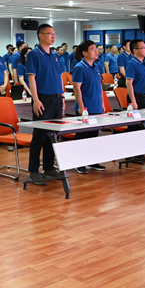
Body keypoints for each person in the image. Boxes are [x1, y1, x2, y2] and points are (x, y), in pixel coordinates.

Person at [25, 24, 64, 185]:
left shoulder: (54, 54)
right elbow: (32, 78)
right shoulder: (34, 54)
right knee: (39, 136)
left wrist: (62, 97)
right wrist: (35, 99)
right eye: (50, 34)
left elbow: (59, 77)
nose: (53, 37)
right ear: (41, 35)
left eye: (54, 34)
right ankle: (34, 171)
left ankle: (49, 167)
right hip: (43, 99)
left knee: (53, 136)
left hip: (56, 99)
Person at [71, 40, 106, 173]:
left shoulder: (96, 66)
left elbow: (99, 86)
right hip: (85, 108)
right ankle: (78, 162)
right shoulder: (80, 67)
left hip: (96, 106)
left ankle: (92, 160)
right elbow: (77, 89)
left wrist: (102, 103)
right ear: (84, 53)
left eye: (96, 49)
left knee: (93, 136)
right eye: (93, 49)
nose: (96, 51)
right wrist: (81, 107)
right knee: (82, 136)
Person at [126, 39, 145, 111]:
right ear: (135, 50)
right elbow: (129, 83)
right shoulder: (132, 64)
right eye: (143, 48)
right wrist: (133, 101)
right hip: (138, 97)